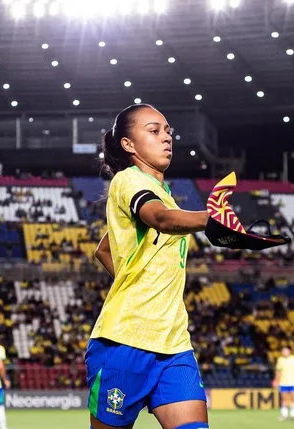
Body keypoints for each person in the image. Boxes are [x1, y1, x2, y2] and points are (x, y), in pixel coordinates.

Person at [87, 104, 211, 429]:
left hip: (174, 344)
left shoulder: (165, 193)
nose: (166, 138)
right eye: (154, 131)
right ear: (128, 144)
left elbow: (104, 249)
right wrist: (214, 221)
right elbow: (160, 218)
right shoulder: (128, 180)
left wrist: (139, 283)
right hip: (124, 342)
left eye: (168, 131)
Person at [272, 346, 294, 421]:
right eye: (283, 351)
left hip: (293, 382)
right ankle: (284, 415)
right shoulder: (280, 360)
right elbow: (278, 372)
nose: (284, 352)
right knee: (284, 399)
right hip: (283, 383)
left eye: (286, 351)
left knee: (293, 398)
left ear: (289, 352)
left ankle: (293, 415)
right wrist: (276, 381)